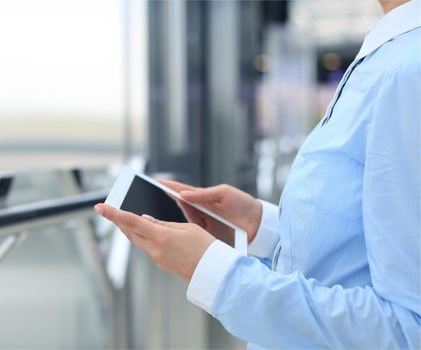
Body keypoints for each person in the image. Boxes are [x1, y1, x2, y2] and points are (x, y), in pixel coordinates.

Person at [95, 0, 421, 348]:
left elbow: (408, 329)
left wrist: (216, 273)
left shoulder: (407, 73)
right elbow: (360, 251)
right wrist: (260, 225)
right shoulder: (391, 55)